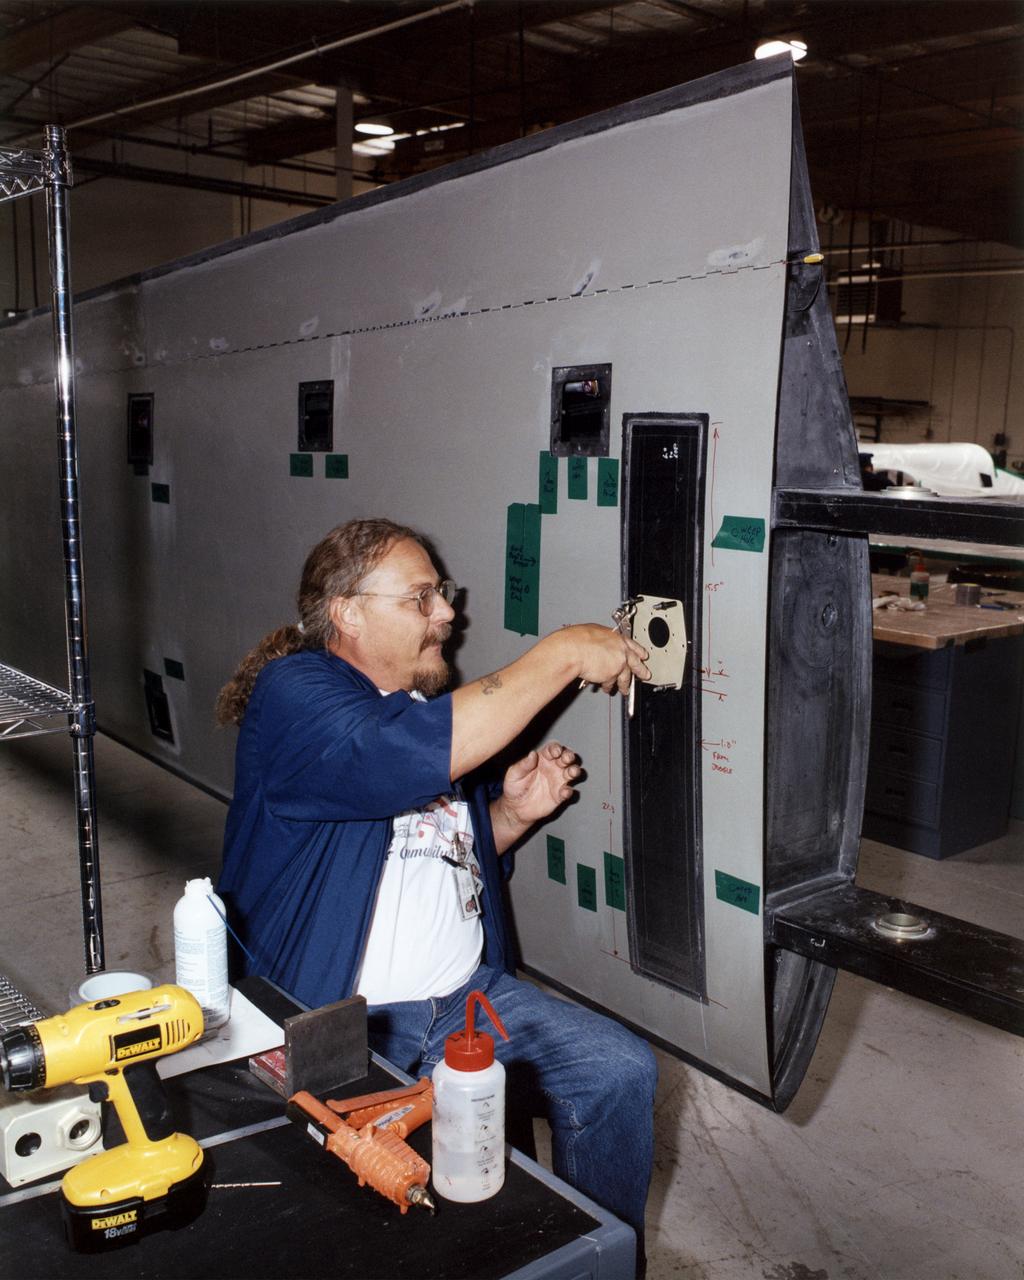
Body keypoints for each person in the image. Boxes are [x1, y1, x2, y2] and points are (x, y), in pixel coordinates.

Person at [215, 517, 657, 1250]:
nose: (448, 613)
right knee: (388, 1225)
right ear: (348, 612)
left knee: (616, 1072)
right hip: (351, 1021)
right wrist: (564, 650)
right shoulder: (295, 692)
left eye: (441, 595)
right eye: (422, 597)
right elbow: (385, 760)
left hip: (468, 1001)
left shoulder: (423, 716)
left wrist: (508, 816)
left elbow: (439, 863)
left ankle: (592, 1260)